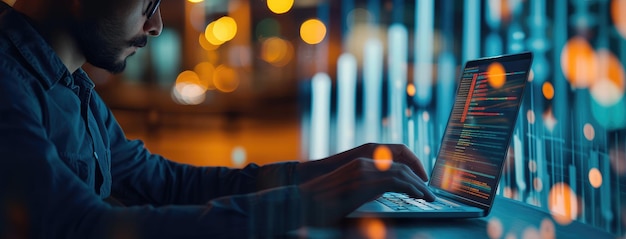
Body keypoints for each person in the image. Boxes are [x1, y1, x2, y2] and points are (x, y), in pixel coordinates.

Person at [0, 0, 435, 238]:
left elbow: (170, 186)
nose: (155, 24)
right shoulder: (8, 84)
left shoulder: (72, 87)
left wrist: (329, 172)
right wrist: (309, 203)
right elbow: (82, 227)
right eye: (148, 1)